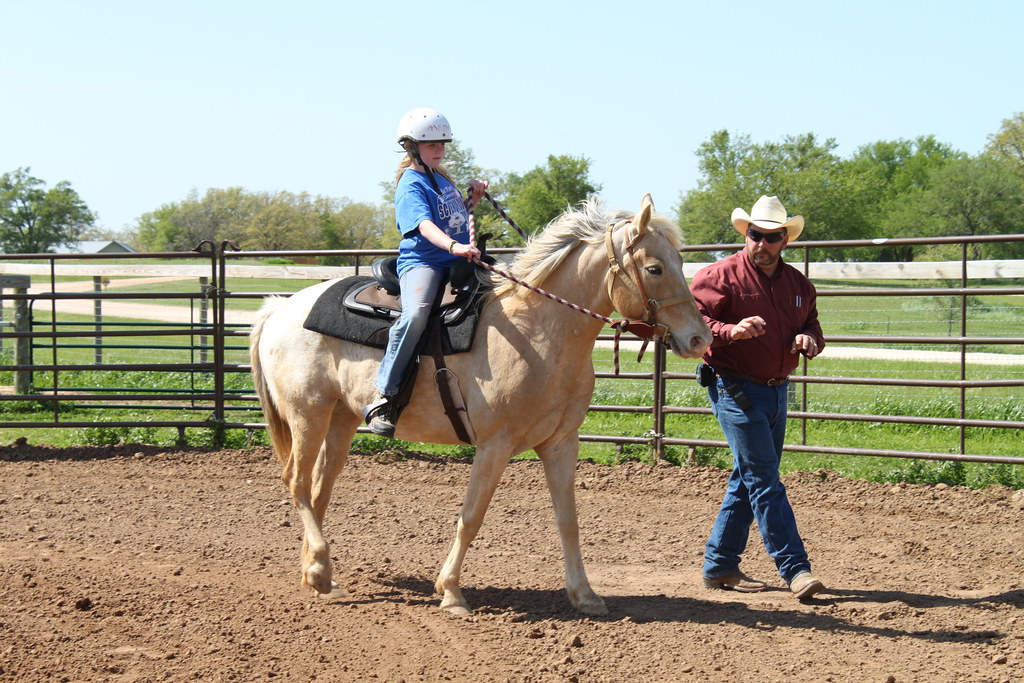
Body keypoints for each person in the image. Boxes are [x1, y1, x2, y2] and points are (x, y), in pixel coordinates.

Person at [690, 195, 826, 600]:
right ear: (745, 234)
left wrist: (810, 340)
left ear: (785, 240)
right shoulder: (719, 276)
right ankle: (795, 569)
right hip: (734, 387)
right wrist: (730, 331)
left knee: (748, 479)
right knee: (764, 480)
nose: (762, 244)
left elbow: (813, 325)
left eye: (771, 237)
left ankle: (720, 565)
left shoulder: (799, 286)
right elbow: (696, 323)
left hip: (776, 390)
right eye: (755, 236)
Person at [363, 107, 486, 437]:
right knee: (416, 313)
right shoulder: (411, 184)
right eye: (432, 145)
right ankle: (385, 396)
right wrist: (454, 247)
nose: (440, 150)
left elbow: (456, 217)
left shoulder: (443, 178)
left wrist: (472, 197)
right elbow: (425, 226)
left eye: (443, 144)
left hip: (457, 260)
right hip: (425, 262)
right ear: (412, 147)